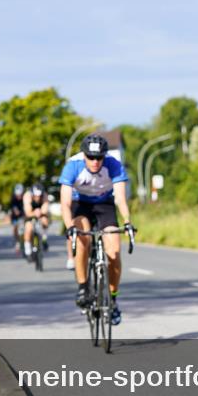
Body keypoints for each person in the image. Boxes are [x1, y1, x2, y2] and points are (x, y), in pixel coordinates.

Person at [59, 134, 132, 326]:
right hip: (80, 203)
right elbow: (65, 203)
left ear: (104, 156)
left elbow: (120, 199)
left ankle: (113, 300)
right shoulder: (72, 166)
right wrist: (70, 228)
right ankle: (83, 286)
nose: (95, 161)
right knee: (82, 237)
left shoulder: (113, 165)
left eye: (99, 157)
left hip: (104, 204)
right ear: (84, 155)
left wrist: (127, 221)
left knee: (114, 251)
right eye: (90, 157)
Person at [22, 182, 50, 259]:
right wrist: (34, 213)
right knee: (28, 228)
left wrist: (41, 213)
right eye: (35, 196)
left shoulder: (44, 195)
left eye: (39, 196)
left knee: (45, 220)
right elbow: (28, 212)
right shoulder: (27, 196)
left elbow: (45, 208)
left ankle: (44, 239)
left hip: (40, 213)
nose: (37, 198)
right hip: (30, 213)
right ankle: (28, 250)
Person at [8, 183, 25, 252]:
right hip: (15, 216)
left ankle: (25, 241)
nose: (19, 196)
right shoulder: (13, 198)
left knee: (24, 227)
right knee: (15, 228)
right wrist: (15, 211)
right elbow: (13, 207)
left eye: (20, 195)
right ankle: (17, 242)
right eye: (17, 195)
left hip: (23, 214)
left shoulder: (25, 197)